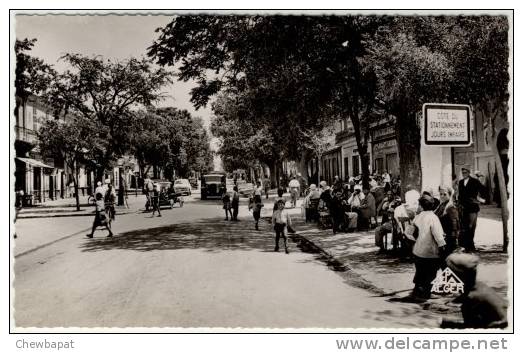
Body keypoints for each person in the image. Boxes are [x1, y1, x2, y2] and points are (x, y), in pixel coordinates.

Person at [441, 253, 507, 329]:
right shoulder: (480, 286)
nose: (445, 276)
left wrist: (447, 325)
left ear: (457, 275)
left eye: (447, 273)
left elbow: (472, 330)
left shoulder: (471, 298)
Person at [410, 194, 446, 300]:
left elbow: (412, 232)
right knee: (430, 273)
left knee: (420, 271)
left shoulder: (418, 216)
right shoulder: (433, 218)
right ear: (433, 205)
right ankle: (426, 293)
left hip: (418, 250)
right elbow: (438, 235)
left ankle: (417, 289)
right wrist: (442, 245)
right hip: (429, 251)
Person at [458, 167, 484, 252]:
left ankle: (470, 245)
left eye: (465, 172)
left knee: (471, 226)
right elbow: (460, 195)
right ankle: (466, 245)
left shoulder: (475, 181)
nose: (464, 174)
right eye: (463, 173)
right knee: (465, 226)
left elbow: (483, 189)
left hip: (473, 207)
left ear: (469, 173)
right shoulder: (460, 182)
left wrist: (480, 199)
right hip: (463, 207)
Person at [435, 186, 460, 254]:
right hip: (441, 235)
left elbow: (455, 224)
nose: (442, 196)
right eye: (441, 194)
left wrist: (454, 239)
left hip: (448, 238)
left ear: (449, 195)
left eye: (445, 194)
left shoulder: (451, 207)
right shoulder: (441, 205)